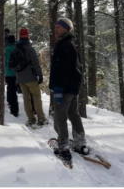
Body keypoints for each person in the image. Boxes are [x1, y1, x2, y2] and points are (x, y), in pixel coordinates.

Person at [49, 18, 89, 162]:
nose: (56, 29)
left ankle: (63, 147)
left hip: (63, 88)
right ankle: (80, 143)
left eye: (59, 27)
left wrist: (58, 88)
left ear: (66, 29)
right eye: (56, 26)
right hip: (70, 88)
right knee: (73, 114)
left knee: (60, 116)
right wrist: (75, 89)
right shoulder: (67, 44)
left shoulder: (65, 46)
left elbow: (66, 70)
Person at [10, 27, 47, 127]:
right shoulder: (30, 49)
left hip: (21, 78)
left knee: (26, 99)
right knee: (36, 97)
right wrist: (40, 75)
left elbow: (12, 65)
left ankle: (31, 119)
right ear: (28, 36)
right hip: (31, 77)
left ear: (19, 36)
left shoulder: (15, 49)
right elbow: (36, 63)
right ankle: (41, 119)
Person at [5, 35, 19, 117]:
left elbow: (4, 61)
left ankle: (10, 104)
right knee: (14, 90)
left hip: (8, 72)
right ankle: (15, 108)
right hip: (16, 73)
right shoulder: (17, 49)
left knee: (10, 88)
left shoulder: (6, 50)